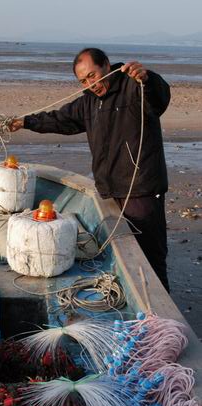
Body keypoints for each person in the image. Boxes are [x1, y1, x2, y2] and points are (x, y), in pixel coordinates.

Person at [9, 48, 171, 292]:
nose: (90, 84)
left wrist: (146, 78)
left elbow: (159, 97)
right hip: (110, 190)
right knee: (123, 256)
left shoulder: (133, 85)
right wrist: (26, 122)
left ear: (106, 65)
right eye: (83, 81)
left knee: (150, 257)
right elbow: (60, 119)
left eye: (92, 76)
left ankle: (162, 319)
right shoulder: (89, 102)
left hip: (140, 190)